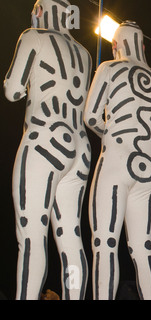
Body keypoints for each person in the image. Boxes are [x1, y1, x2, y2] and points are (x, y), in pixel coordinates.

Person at [4, 0, 91, 300]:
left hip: (45, 136)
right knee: (71, 237)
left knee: (31, 236)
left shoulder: (34, 36)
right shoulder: (84, 52)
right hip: (79, 146)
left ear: (39, 11)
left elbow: (13, 90)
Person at [84, 21, 151, 300]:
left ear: (115, 45)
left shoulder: (109, 68)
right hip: (147, 165)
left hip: (116, 158)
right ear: (143, 47)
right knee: (143, 248)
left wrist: (111, 133)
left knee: (105, 242)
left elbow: (91, 117)